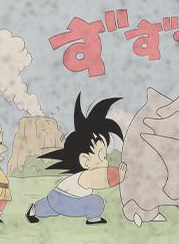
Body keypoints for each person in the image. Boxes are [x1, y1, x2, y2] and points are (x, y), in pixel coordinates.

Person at [27, 95, 126, 225]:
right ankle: (94, 218)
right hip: (67, 201)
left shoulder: (76, 177)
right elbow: (101, 181)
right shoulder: (86, 175)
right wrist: (119, 177)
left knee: (48, 209)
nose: (106, 161)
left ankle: (34, 210)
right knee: (96, 202)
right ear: (85, 160)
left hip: (54, 197)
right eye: (101, 156)